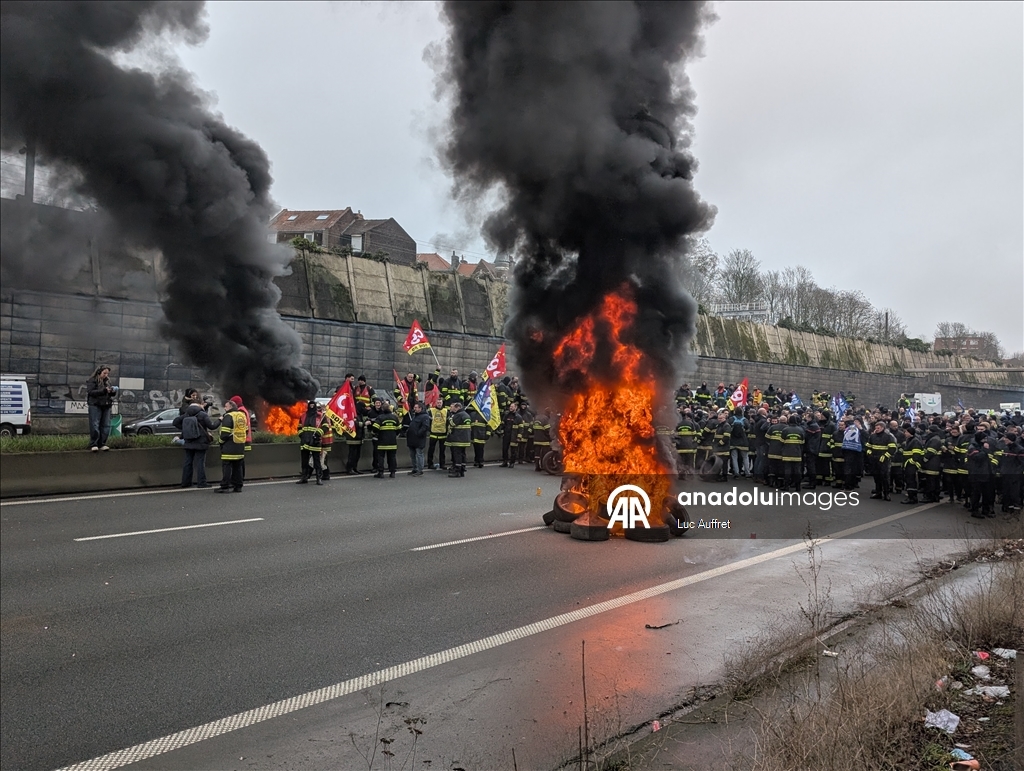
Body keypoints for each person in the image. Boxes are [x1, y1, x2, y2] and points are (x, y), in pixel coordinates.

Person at [173, 400, 218, 488]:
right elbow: (212, 426)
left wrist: (185, 429)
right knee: (200, 463)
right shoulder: (202, 414)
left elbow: (175, 422)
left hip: (189, 441)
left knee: (188, 462)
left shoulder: (186, 414)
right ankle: (201, 482)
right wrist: (219, 420)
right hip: (201, 442)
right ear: (199, 405)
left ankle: (186, 482)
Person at [216, 398, 249, 493]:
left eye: (226, 406)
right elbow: (246, 430)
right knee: (238, 467)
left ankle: (225, 486)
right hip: (240, 445)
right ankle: (238, 486)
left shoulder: (228, 416)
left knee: (227, 467)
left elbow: (224, 433)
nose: (224, 408)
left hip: (229, 446)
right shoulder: (242, 415)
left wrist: (220, 442)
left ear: (230, 407)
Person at [86, 364, 118, 451]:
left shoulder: (107, 381)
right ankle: (94, 443)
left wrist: (112, 392)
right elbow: (91, 392)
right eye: (104, 373)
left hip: (106, 404)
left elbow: (109, 394)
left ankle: (102, 443)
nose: (106, 375)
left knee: (106, 425)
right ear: (99, 372)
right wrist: (103, 391)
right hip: (95, 404)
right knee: (95, 424)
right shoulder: (92, 380)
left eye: (107, 373)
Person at [296, 401, 324, 485]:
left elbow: (326, 426)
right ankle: (304, 477)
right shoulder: (303, 415)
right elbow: (299, 427)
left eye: (313, 405)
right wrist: (301, 435)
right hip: (305, 441)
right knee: (304, 461)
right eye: (310, 405)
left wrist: (318, 434)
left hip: (315, 441)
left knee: (316, 461)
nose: (311, 407)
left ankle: (319, 478)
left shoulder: (320, 416)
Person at [371, 402, 400, 478]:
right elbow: (399, 429)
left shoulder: (380, 417)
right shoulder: (395, 417)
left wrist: (375, 432)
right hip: (392, 442)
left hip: (382, 442)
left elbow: (375, 428)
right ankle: (392, 472)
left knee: (381, 457)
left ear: (382, 409)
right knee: (392, 457)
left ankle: (381, 472)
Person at [446, 401, 472, 477]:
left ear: (458, 407)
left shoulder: (458, 415)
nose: (453, 409)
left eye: (454, 407)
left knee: (457, 455)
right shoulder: (466, 415)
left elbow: (452, 424)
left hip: (458, 439)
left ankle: (457, 471)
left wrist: (450, 418)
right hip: (465, 439)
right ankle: (462, 470)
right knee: (463, 454)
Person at [406, 401, 430, 476]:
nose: (414, 409)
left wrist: (418, 433)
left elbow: (425, 427)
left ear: (420, 408)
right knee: (412, 455)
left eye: (416, 407)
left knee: (419, 455)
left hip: (419, 439)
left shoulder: (425, 416)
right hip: (412, 439)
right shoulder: (415, 416)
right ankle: (415, 469)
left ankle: (420, 470)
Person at [427, 402, 449, 470]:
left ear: (442, 403)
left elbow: (448, 422)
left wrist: (447, 431)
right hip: (433, 433)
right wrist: (429, 429)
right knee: (431, 450)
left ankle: (442, 464)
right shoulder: (431, 411)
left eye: (440, 403)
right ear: (436, 403)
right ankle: (430, 464)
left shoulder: (446, 411)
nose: (439, 404)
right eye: (438, 403)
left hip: (443, 434)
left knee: (442, 451)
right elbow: (428, 421)